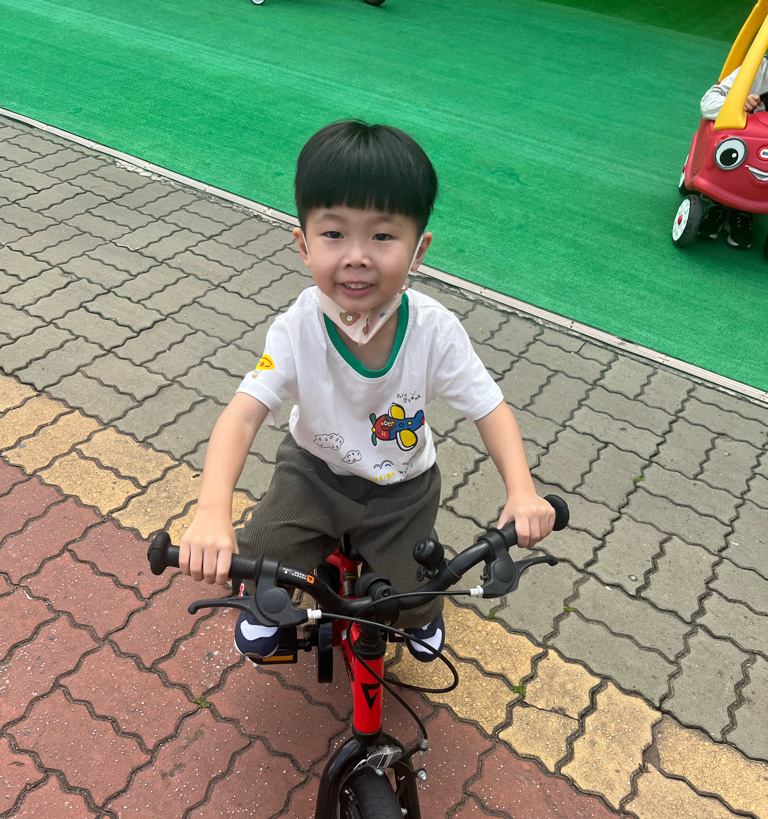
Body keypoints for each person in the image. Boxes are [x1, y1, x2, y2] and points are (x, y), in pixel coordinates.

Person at [178, 119, 555, 662]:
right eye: (334, 234)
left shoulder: (434, 330)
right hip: (313, 473)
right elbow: (241, 415)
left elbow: (489, 408)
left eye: (382, 236)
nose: (356, 255)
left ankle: (421, 611)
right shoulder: (297, 328)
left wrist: (521, 491)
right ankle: (269, 605)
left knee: (416, 592)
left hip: (403, 489)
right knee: (260, 554)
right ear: (303, 245)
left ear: (418, 251)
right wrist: (212, 511)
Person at [698, 57, 768, 248]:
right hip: (738, 151)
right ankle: (718, 204)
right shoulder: (756, 69)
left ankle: (745, 210)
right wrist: (737, 103)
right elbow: (708, 103)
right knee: (732, 149)